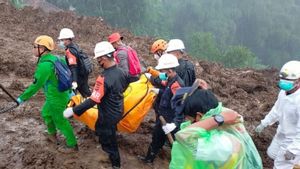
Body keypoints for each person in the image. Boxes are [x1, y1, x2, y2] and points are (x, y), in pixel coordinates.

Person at [63, 41, 129, 169]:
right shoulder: (122, 72)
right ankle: (109, 153)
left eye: (98, 59)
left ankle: (115, 164)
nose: (98, 62)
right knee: (105, 131)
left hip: (107, 115)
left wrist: (74, 110)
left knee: (108, 139)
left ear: (103, 58)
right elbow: (123, 88)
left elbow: (93, 100)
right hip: (118, 110)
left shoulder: (103, 78)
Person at [170, 88, 262, 169]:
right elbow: (220, 112)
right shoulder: (229, 121)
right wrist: (204, 97)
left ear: (199, 116)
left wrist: (216, 120)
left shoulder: (221, 144)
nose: (189, 122)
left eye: (189, 118)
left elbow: (183, 135)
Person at [16, 35, 77, 153]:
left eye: (35, 47)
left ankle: (72, 145)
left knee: (61, 120)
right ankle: (52, 135)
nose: (33, 49)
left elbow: (35, 86)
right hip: (58, 95)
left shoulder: (45, 66)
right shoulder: (56, 58)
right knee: (46, 113)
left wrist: (21, 99)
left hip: (57, 98)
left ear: (42, 49)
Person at [140, 53, 185, 163]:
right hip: (162, 117)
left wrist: (174, 124)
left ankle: (180, 162)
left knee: (175, 143)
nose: (161, 73)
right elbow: (167, 92)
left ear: (169, 71)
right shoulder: (170, 80)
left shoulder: (177, 85)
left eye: (163, 71)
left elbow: (180, 106)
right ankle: (149, 159)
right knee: (156, 138)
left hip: (170, 120)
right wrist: (159, 91)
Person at [255, 60, 300, 169]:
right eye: (283, 79)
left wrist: (293, 149)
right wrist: (264, 124)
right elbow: (276, 110)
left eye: (288, 80)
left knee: (281, 165)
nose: (284, 82)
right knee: (272, 154)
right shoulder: (284, 93)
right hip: (282, 132)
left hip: (293, 139)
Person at [58, 28, 91, 97]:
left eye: (62, 40)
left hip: (78, 76)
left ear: (67, 40)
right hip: (83, 74)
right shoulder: (76, 46)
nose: (60, 42)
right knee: (86, 93)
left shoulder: (70, 51)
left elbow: (73, 67)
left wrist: (74, 81)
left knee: (80, 95)